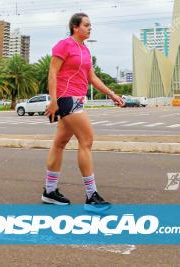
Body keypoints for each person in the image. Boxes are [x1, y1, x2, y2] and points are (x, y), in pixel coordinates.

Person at [41, 13, 124, 209]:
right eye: (86, 25)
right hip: (66, 98)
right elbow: (52, 73)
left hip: (77, 99)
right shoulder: (64, 45)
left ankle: (49, 191)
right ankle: (91, 196)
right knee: (86, 141)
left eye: (90, 25)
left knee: (60, 143)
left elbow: (92, 78)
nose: (89, 28)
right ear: (75, 27)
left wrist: (112, 94)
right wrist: (53, 101)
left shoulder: (85, 50)